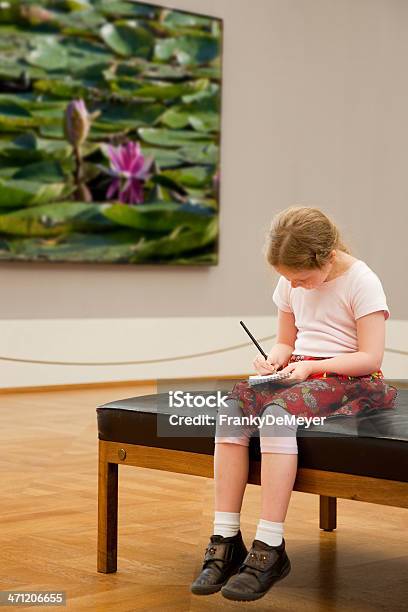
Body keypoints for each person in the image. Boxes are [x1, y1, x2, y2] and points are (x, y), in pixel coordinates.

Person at [190, 206, 398, 602]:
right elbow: (287, 341)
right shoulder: (291, 282)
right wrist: (274, 359)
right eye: (288, 280)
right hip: (305, 372)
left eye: (301, 279)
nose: (295, 287)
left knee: (277, 415)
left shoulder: (362, 282)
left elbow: (371, 358)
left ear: (327, 257)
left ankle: (269, 546)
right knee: (231, 409)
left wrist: (311, 368)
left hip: (352, 380)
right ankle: (226, 538)